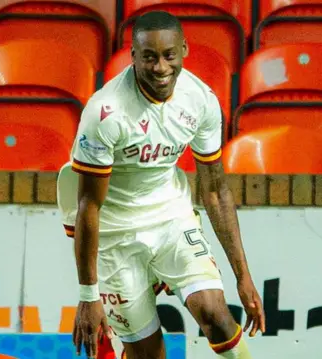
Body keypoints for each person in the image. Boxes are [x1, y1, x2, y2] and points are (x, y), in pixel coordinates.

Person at [60, 10, 265, 359]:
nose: (161, 67)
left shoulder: (200, 99)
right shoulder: (105, 112)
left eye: (169, 55)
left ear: (183, 49)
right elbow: (88, 206)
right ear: (133, 56)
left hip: (172, 219)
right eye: (149, 57)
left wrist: (243, 277)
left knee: (215, 313)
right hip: (116, 233)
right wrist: (87, 295)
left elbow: (215, 190)